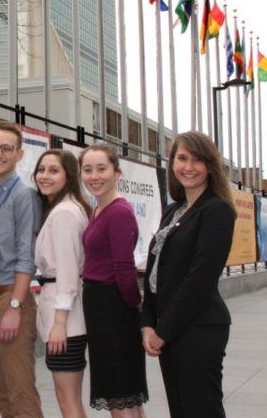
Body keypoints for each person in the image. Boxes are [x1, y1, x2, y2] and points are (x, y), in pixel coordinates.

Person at [141, 132, 236, 418]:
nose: (189, 167)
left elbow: (199, 279)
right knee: (180, 410)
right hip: (169, 329)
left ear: (210, 166)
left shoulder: (217, 210)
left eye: (198, 160)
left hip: (199, 329)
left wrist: (162, 331)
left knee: (201, 410)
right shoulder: (174, 210)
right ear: (172, 163)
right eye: (182, 158)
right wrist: (147, 322)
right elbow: (154, 270)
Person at [0, 122, 44, 418]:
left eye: (6, 148)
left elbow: (27, 256)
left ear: (19, 154)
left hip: (10, 300)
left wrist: (15, 306)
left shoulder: (24, 196)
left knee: (21, 393)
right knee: (0, 394)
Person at [79, 144, 148, 417]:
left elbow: (124, 269)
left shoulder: (118, 211)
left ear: (117, 173)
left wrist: (135, 308)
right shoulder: (99, 210)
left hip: (113, 308)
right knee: (126, 395)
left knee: (120, 394)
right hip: (102, 306)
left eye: (101, 169)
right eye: (87, 170)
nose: (94, 176)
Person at [33, 149, 91, 418]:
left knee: (68, 400)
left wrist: (59, 324)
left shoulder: (65, 213)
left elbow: (68, 272)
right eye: (41, 169)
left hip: (66, 320)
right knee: (68, 398)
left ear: (69, 176)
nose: (45, 176)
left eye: (53, 170)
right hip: (63, 313)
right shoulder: (61, 208)